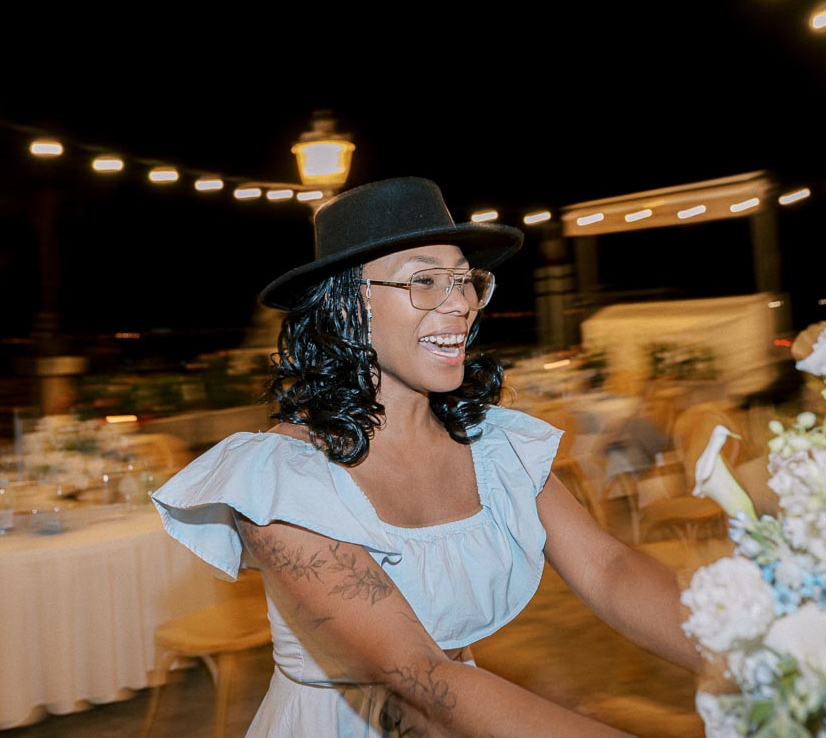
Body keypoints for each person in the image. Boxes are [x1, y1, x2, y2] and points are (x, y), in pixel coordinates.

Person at [152, 177, 702, 737]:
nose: (461, 302)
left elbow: (610, 571)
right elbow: (418, 675)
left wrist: (756, 653)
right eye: (426, 280)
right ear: (348, 305)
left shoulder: (496, 447)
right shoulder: (279, 479)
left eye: (465, 281)